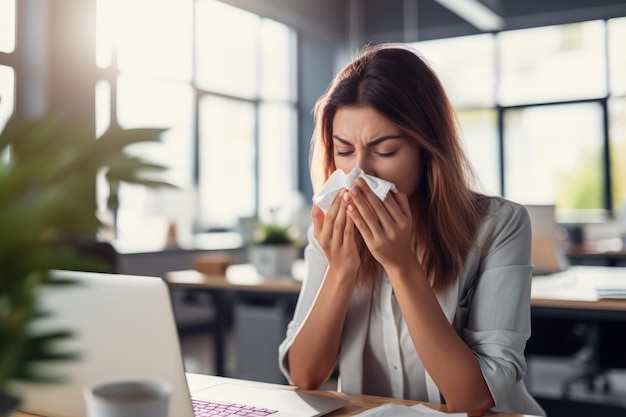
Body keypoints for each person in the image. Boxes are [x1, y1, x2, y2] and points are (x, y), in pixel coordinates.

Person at [277, 43, 546, 417]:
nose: (359, 174)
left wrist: (402, 265)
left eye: (385, 151)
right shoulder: (332, 228)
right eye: (343, 150)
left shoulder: (499, 227)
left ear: (428, 149)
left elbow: (472, 400)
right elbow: (304, 376)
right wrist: (340, 271)